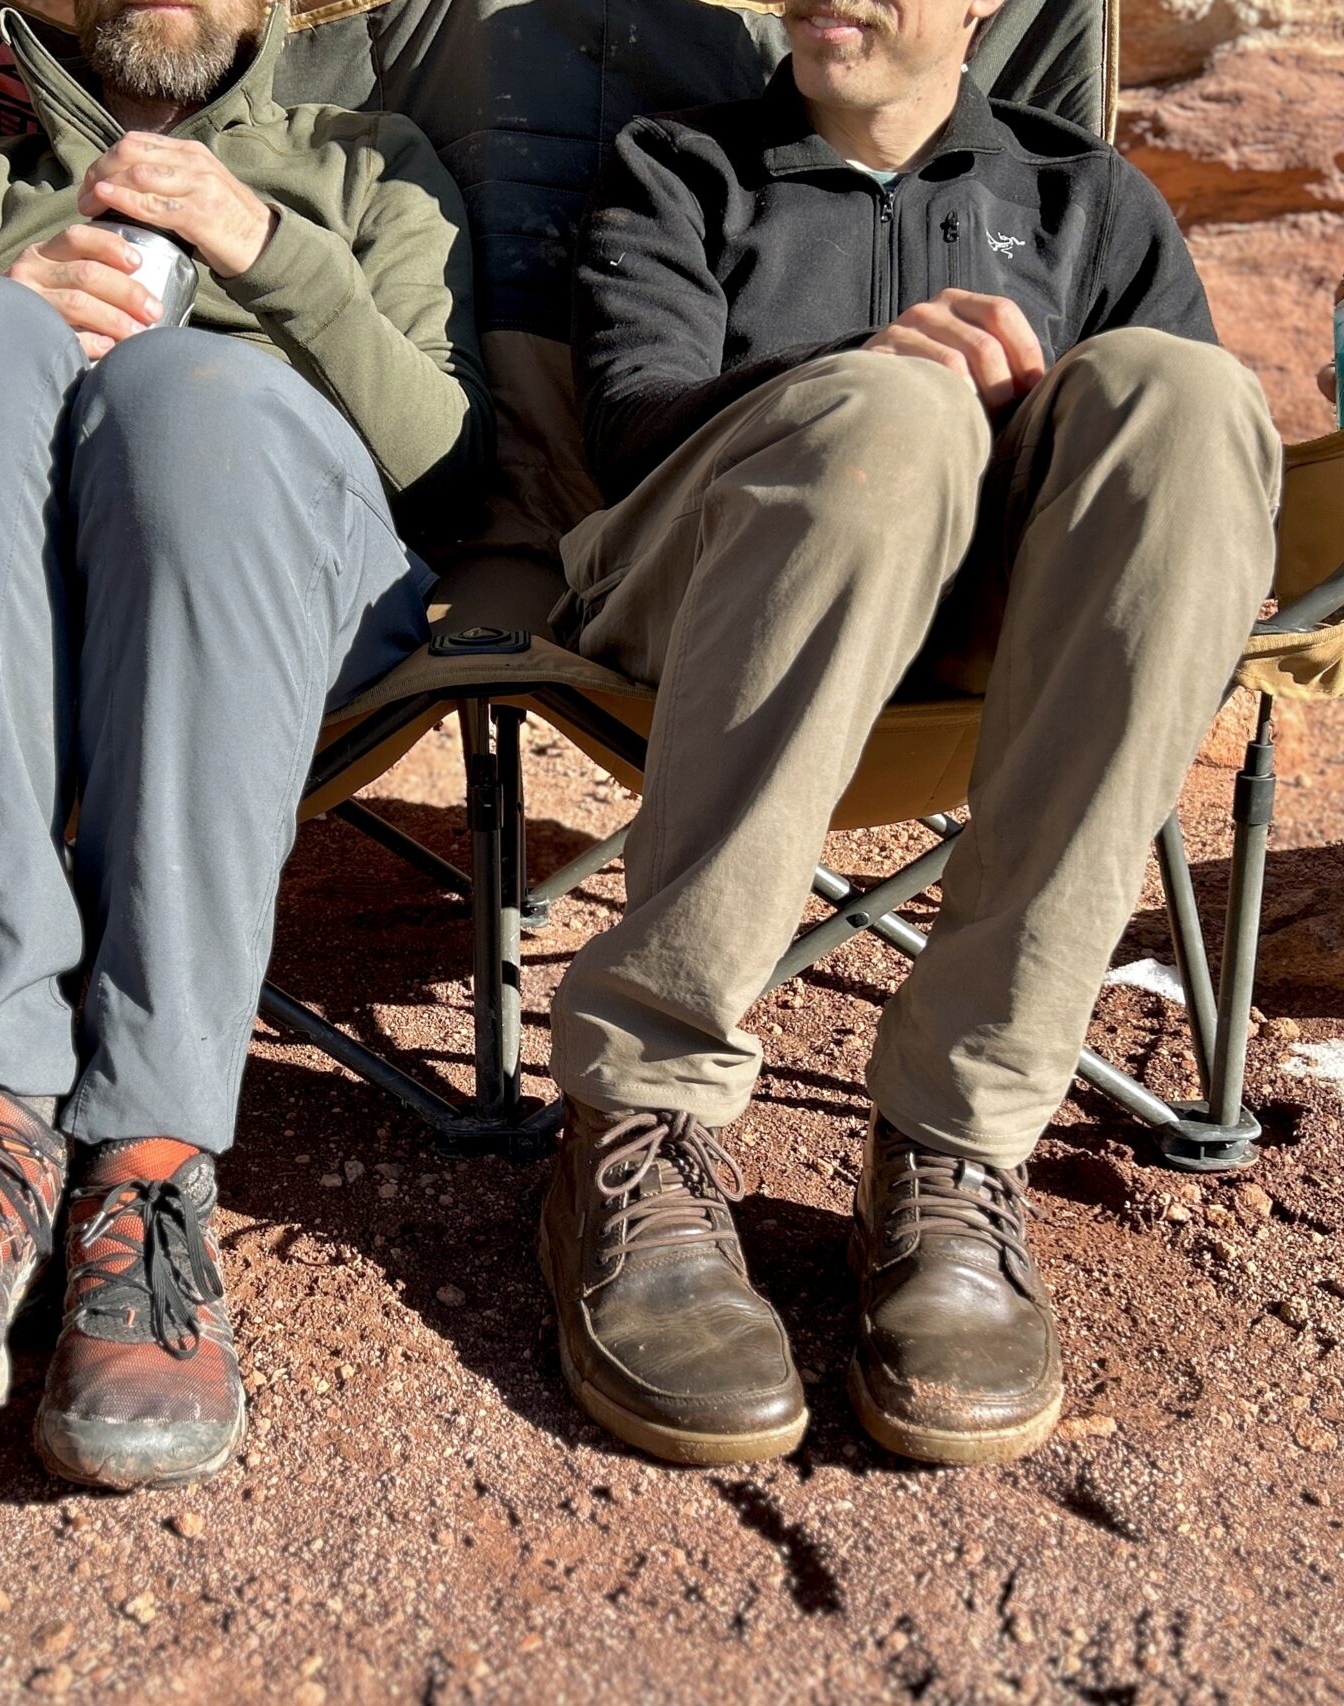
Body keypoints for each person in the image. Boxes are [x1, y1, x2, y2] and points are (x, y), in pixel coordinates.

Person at [0, 0, 488, 1492]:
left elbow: (444, 457)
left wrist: (272, 255)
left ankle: (146, 1168)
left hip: (278, 615)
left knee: (185, 396)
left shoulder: (369, 166)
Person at [537, 0, 1280, 1467]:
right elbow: (631, 421)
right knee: (895, 413)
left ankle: (959, 1132)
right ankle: (641, 1115)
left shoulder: (1089, 200)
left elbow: (1171, 508)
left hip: (993, 642)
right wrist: (872, 381)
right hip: (705, 590)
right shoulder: (684, 168)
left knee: (1188, 399)